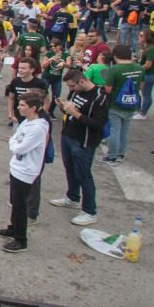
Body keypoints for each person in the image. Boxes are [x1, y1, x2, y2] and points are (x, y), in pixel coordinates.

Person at [49, 69, 109, 226]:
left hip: (84, 142)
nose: (70, 90)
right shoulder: (76, 93)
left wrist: (75, 114)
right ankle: (73, 197)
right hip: (68, 135)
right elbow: (70, 110)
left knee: (84, 175)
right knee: (70, 169)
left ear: (82, 82)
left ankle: (90, 211)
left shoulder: (100, 97)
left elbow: (98, 124)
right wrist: (62, 107)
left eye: (72, 86)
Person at [0, 91, 49, 253]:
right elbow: (15, 138)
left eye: (22, 105)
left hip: (26, 171)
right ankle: (13, 228)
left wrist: (15, 144)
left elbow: (20, 147)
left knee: (20, 206)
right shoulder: (26, 122)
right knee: (14, 202)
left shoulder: (38, 128)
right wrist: (15, 143)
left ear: (34, 108)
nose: (19, 107)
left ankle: (21, 239)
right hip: (16, 168)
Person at [102, 45, 143, 164]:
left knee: (114, 130)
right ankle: (121, 154)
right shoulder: (139, 68)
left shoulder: (114, 70)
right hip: (131, 103)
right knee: (125, 130)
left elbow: (108, 89)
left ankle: (111, 156)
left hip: (115, 103)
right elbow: (141, 86)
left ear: (115, 56)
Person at [137, 29, 154, 120]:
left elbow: (148, 65)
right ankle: (139, 111)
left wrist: (136, 69)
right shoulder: (147, 47)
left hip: (148, 75)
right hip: (147, 74)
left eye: (141, 35)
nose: (139, 37)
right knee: (141, 93)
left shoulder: (151, 49)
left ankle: (142, 113)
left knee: (145, 94)